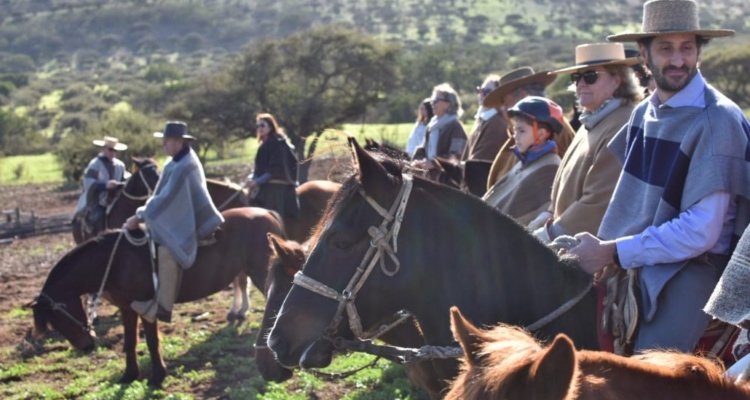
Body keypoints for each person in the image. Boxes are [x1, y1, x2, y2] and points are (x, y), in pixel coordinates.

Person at [569, 0, 750, 353]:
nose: (678, 60)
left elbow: (702, 233)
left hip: (697, 269)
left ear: (699, 52)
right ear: (644, 54)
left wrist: (613, 252)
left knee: (648, 374)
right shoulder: (643, 114)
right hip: (640, 253)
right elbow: (630, 203)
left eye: (687, 48)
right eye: (666, 48)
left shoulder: (717, 120)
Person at [528, 43, 642, 241]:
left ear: (617, 81)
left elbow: (602, 200)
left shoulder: (624, 123)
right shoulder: (593, 120)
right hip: (573, 242)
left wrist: (551, 234)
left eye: (590, 77)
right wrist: (549, 214)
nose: (581, 84)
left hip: (598, 252)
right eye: (577, 77)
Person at [127, 121, 224, 323]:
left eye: (167, 141)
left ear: (179, 142)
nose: (163, 145)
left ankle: (163, 307)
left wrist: (140, 215)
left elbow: (166, 199)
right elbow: (160, 195)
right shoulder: (174, 162)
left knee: (168, 250)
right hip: (184, 212)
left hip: (196, 220)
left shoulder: (185, 166)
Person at [482, 96, 571, 225]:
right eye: (514, 130)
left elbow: (536, 222)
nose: (515, 136)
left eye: (521, 131)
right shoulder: (524, 162)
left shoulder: (550, 168)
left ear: (541, 134)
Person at [483, 67, 575, 190]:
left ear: (523, 96)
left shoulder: (555, 129)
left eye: (507, 104)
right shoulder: (521, 129)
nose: (505, 111)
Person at [245, 113, 300, 219]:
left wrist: (256, 181)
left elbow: (274, 170)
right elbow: (259, 168)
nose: (259, 128)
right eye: (257, 126)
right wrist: (251, 178)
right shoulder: (263, 146)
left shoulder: (278, 144)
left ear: (270, 126)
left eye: (262, 125)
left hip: (276, 187)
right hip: (265, 184)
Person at [73, 136, 130, 234]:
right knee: (98, 216)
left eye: (115, 150)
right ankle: (96, 236)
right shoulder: (95, 164)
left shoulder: (120, 165)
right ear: (104, 149)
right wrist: (105, 185)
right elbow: (88, 181)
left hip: (116, 197)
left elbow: (125, 178)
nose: (113, 152)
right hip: (98, 198)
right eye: (110, 150)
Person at [412, 83, 467, 181]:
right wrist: (419, 162)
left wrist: (433, 163)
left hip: (448, 182)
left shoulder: (455, 127)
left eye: (436, 100)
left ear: (448, 104)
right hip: (430, 179)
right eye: (432, 100)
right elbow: (424, 150)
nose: (432, 103)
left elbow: (456, 157)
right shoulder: (431, 126)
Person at [461, 75, 507, 163]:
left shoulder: (497, 123)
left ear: (499, 96)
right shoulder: (482, 119)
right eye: (480, 90)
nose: (481, 94)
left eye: (487, 91)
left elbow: (482, 159)